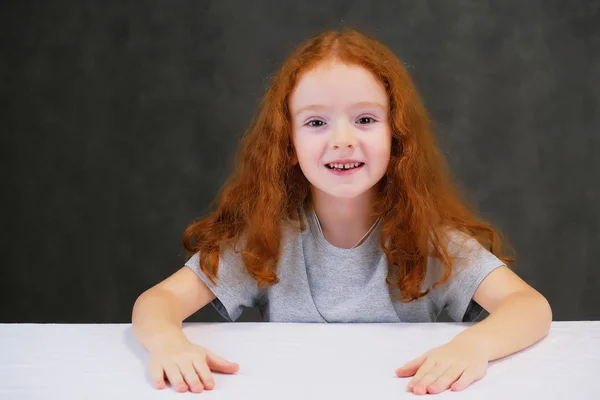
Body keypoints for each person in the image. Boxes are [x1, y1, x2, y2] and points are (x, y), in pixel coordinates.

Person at [132, 28, 552, 396]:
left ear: (397, 136)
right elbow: (158, 301)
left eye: (365, 119)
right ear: (288, 143)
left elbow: (529, 307)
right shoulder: (266, 237)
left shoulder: (429, 238)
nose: (343, 140)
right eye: (316, 123)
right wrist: (169, 342)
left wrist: (472, 347)